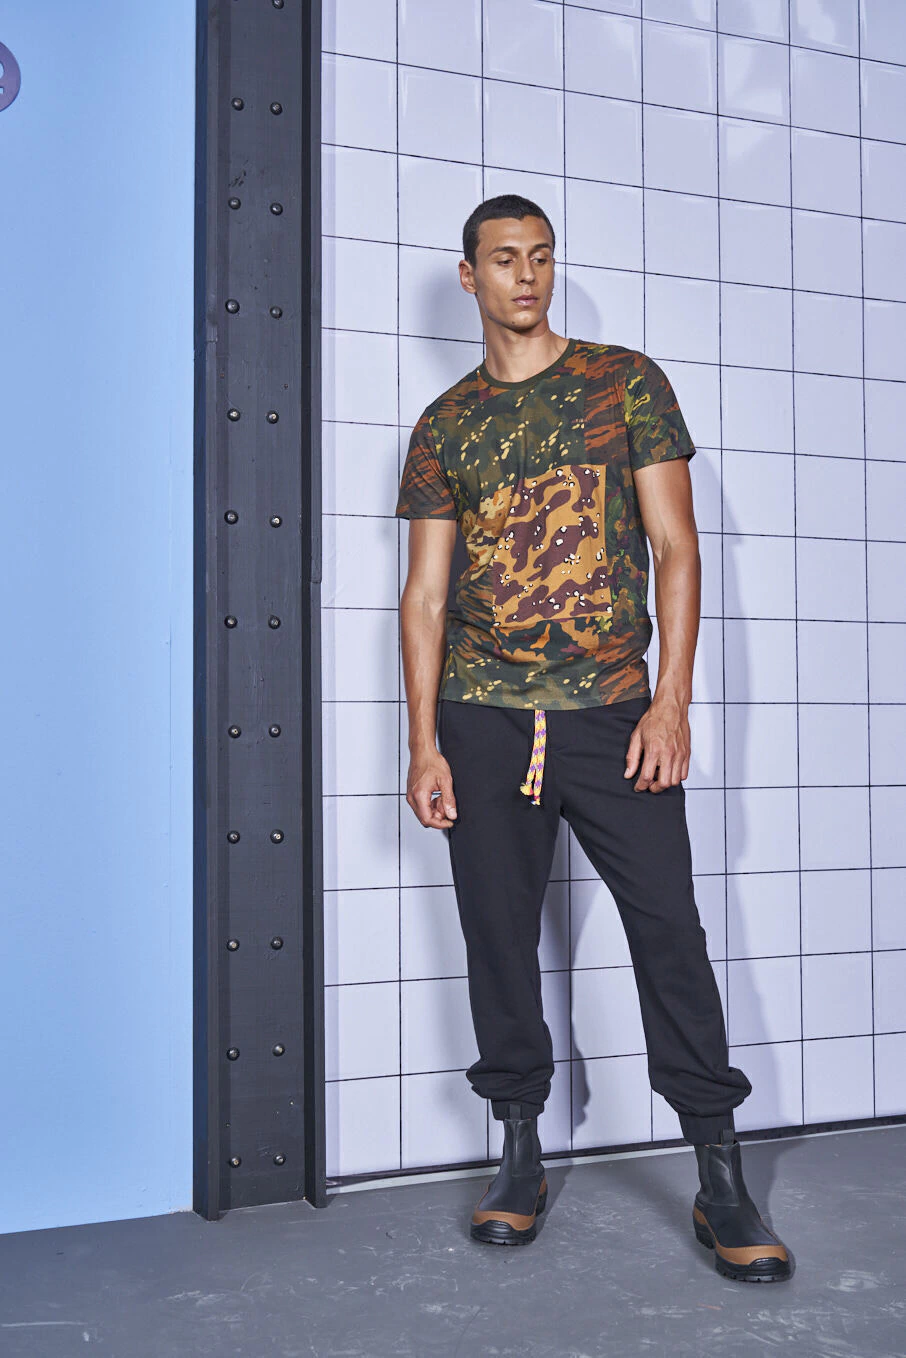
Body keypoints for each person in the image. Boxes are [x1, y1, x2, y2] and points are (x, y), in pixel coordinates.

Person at [394, 193, 791, 1283]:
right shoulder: (444, 426)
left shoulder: (626, 384)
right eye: (504, 259)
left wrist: (672, 701)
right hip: (483, 717)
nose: (527, 275)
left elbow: (678, 546)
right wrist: (423, 742)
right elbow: (424, 597)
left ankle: (719, 1175)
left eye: (541, 256)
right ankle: (518, 1153)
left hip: (615, 712)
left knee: (670, 932)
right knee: (497, 937)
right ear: (469, 277)